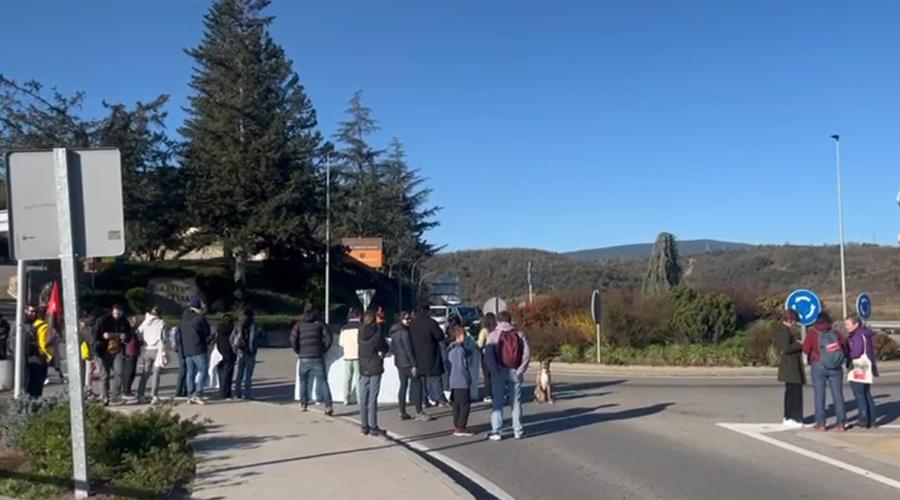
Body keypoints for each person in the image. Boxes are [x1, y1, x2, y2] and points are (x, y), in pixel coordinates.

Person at [485, 310, 531, 441]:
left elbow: (489, 356)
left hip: (499, 372)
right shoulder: (519, 334)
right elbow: (526, 354)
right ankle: (518, 430)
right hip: (515, 371)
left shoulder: (493, 335)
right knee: (516, 402)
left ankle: (497, 431)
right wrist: (521, 370)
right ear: (510, 320)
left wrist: (494, 370)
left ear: (498, 321)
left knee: (498, 403)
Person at [802, 311, 847, 431]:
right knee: (838, 395)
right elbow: (845, 348)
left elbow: (806, 349)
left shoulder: (812, 333)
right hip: (836, 368)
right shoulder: (836, 333)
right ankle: (841, 424)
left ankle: (821, 424)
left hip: (818, 365)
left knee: (819, 395)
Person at [290, 304, 334, 415]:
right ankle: (328, 405)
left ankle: (303, 403)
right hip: (317, 356)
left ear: (304, 311)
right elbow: (329, 338)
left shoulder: (299, 324)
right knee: (323, 381)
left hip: (304, 356)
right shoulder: (320, 323)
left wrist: (298, 351)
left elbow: (292, 339)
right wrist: (323, 349)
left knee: (303, 381)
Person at [409, 302, 449, 410]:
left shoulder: (412, 323)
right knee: (436, 378)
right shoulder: (431, 323)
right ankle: (440, 399)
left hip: (417, 355)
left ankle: (424, 400)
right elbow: (439, 336)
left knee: (421, 380)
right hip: (431, 353)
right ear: (428, 311)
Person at [92, 303, 133, 405]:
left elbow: (130, 333)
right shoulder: (103, 320)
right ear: (112, 312)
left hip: (117, 349)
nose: (117, 316)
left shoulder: (124, 321)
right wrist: (103, 336)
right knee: (104, 375)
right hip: (103, 350)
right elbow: (93, 335)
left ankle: (115, 396)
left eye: (119, 314)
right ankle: (104, 397)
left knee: (119, 372)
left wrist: (126, 336)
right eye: (115, 313)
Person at [358, 310, 389, 436]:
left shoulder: (359, 333)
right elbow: (384, 346)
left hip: (363, 366)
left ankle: (364, 425)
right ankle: (373, 426)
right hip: (375, 366)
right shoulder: (376, 334)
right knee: (372, 398)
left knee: (363, 396)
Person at [845, 314, 879, 428]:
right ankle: (872, 419)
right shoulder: (865, 334)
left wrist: (847, 354)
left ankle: (863, 419)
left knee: (859, 394)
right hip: (867, 365)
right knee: (866, 394)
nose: (846, 327)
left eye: (848, 324)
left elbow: (856, 353)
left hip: (858, 366)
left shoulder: (857, 336)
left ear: (856, 324)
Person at [774, 309, 804, 428]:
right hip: (790, 366)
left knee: (791, 393)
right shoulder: (784, 331)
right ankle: (793, 418)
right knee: (794, 394)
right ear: (790, 320)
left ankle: (789, 417)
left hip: (789, 366)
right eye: (795, 321)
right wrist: (799, 344)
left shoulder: (782, 330)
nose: (795, 324)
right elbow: (786, 348)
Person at [390, 311, 422, 420]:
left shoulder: (394, 331)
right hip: (408, 362)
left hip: (399, 362)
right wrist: (414, 364)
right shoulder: (405, 332)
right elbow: (409, 349)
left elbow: (392, 348)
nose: (409, 321)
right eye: (407, 319)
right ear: (401, 320)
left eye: (409, 318)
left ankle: (402, 411)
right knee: (418, 384)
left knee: (403, 385)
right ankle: (419, 411)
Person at [180, 297, 212, 405]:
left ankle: (190, 394)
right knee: (203, 370)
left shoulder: (183, 318)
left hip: (187, 348)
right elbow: (206, 332)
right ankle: (197, 394)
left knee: (190, 372)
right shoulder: (199, 318)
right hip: (199, 347)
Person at [136, 307, 167, 404]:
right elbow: (163, 337)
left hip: (147, 349)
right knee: (156, 374)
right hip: (157, 349)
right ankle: (154, 395)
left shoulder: (146, 322)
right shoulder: (161, 323)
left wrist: (144, 340)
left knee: (145, 373)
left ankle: (140, 394)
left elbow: (138, 332)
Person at [448, 324, 474, 436]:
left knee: (456, 405)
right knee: (464, 405)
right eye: (464, 335)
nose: (466, 337)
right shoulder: (460, 350)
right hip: (461, 381)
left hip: (453, 381)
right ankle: (461, 426)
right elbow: (462, 366)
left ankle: (457, 425)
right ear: (458, 336)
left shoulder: (451, 349)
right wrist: (468, 378)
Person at [231, 308, 261, 400]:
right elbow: (253, 339)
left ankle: (237, 393)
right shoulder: (253, 325)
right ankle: (246, 394)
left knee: (239, 373)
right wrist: (253, 349)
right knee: (248, 374)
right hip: (249, 352)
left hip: (240, 350)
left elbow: (232, 338)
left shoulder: (238, 325)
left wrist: (235, 348)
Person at [24, 305, 52, 397]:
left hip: (26, 359)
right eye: (31, 311)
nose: (33, 314)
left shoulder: (21, 325)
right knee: (36, 387)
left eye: (35, 312)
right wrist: (49, 357)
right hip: (38, 359)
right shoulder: (42, 325)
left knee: (28, 386)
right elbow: (43, 345)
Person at [339, 308, 362, 405]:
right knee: (358, 377)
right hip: (358, 355)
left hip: (347, 355)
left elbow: (341, 343)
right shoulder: (360, 327)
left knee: (347, 377)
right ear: (359, 316)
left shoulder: (344, 328)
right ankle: (359, 398)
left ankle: (346, 398)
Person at [215, 314, 237, 400]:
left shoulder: (219, 330)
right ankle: (226, 393)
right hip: (229, 352)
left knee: (221, 372)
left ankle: (222, 391)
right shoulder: (232, 330)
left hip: (220, 352)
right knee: (228, 374)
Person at [477, 312, 497, 402]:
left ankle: (488, 394)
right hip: (497, 354)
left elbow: (480, 344)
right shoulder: (497, 329)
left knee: (487, 376)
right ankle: (500, 392)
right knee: (496, 375)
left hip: (487, 354)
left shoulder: (484, 331)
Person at [121, 315, 142, 398]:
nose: (136, 323)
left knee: (132, 373)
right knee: (128, 373)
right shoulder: (128, 330)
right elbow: (125, 339)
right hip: (129, 353)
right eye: (134, 321)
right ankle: (126, 391)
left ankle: (128, 390)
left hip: (134, 352)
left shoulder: (134, 331)